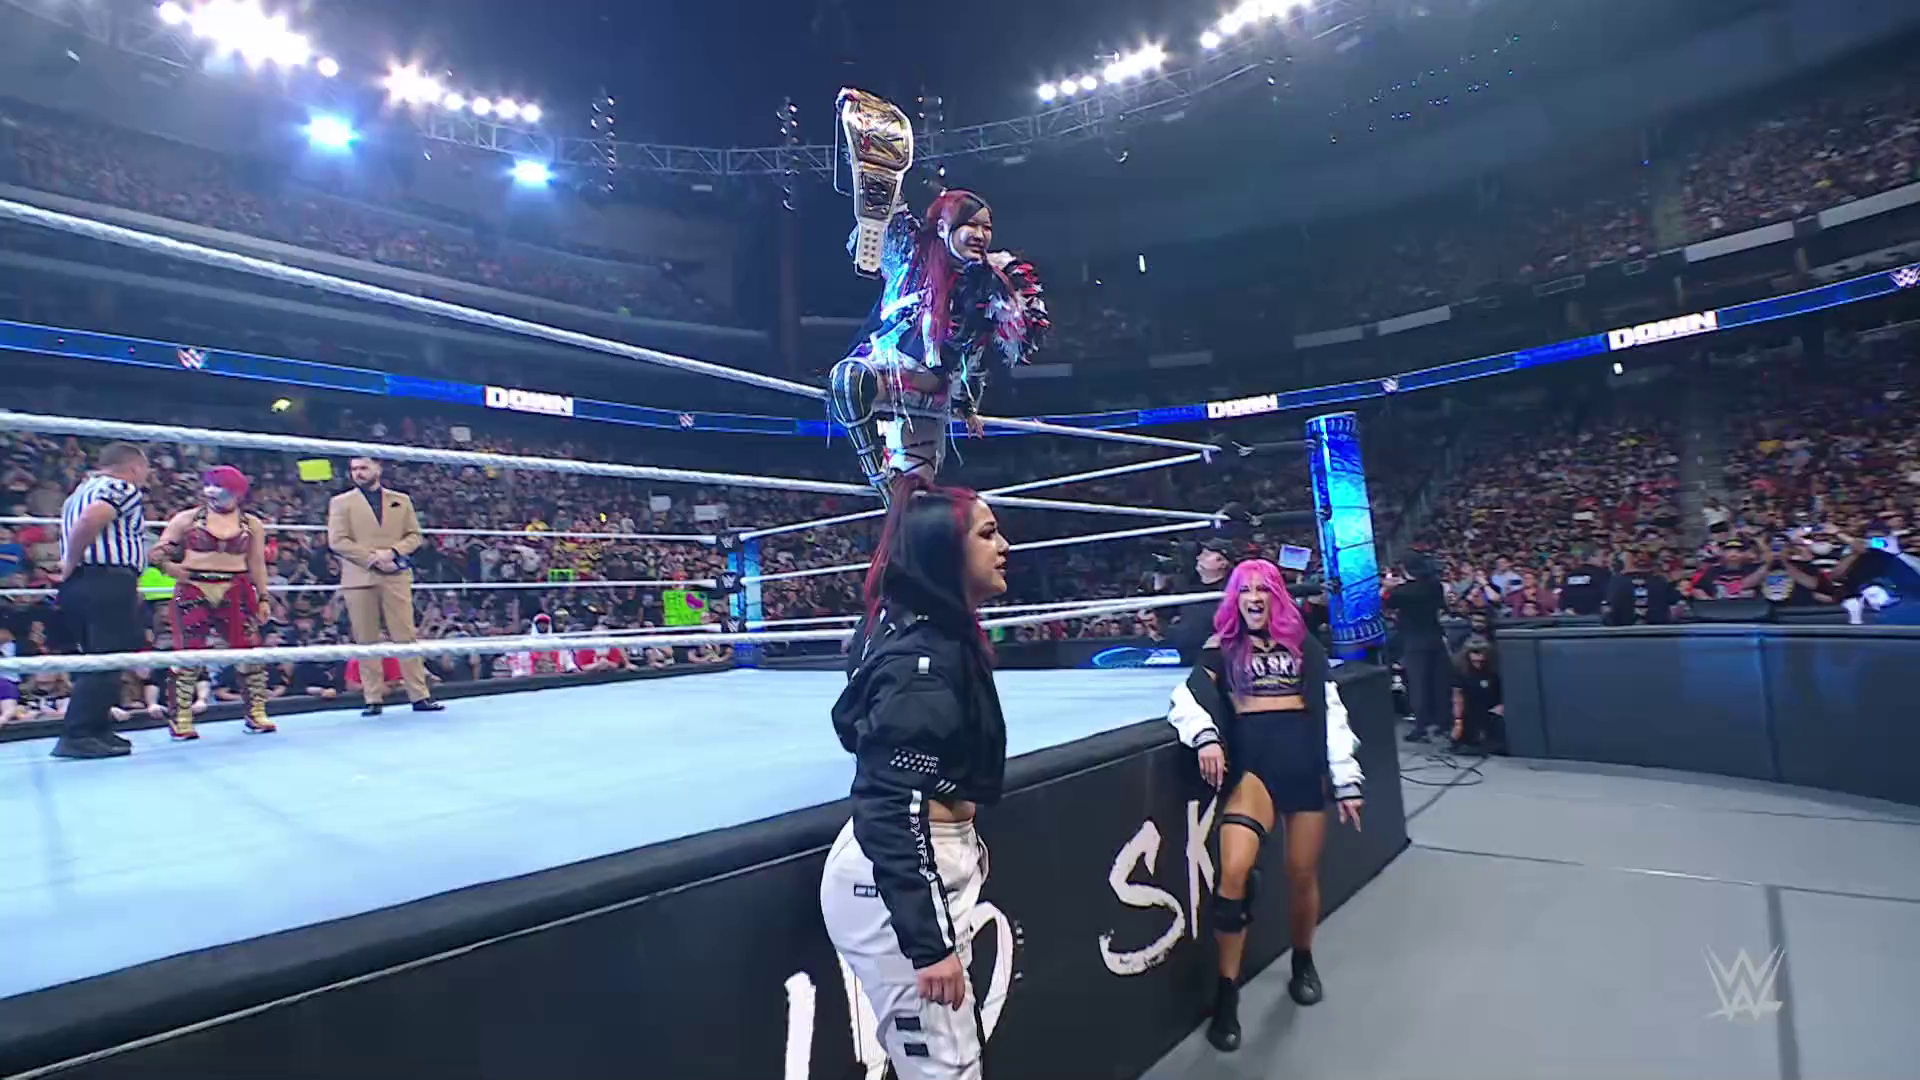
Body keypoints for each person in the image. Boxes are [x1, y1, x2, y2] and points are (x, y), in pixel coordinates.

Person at [819, 475, 1011, 1080]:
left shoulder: (913, 628)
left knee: (948, 1059)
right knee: (946, 1068)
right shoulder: (920, 661)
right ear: (946, 552)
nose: (1004, 546)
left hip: (917, 864)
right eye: (988, 534)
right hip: (899, 874)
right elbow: (887, 802)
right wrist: (927, 944)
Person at [1166, 558, 1364, 1053]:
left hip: (1302, 765)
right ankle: (1227, 993)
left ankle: (1303, 959)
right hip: (1253, 768)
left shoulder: (1304, 646)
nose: (1253, 597)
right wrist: (1206, 735)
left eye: (1262, 588)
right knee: (1232, 874)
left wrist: (1346, 778)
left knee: (1301, 874)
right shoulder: (1222, 647)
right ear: (1234, 598)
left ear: (1276, 595)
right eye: (1244, 589)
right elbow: (1186, 698)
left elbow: (1331, 711)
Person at [827, 189, 1049, 503]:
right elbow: (881, 208)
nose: (980, 235)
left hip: (930, 396)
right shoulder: (911, 253)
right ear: (943, 228)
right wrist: (879, 178)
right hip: (888, 375)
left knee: (912, 501)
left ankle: (897, 505)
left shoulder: (990, 279)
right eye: (971, 225)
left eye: (987, 227)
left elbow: (978, 350)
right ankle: (876, 472)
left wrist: (966, 403)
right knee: (849, 380)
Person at [153, 466, 275, 739]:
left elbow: (257, 563)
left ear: (237, 493)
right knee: (188, 653)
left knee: (249, 652)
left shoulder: (251, 524)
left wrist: (263, 597)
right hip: (194, 587)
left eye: (220, 487)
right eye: (209, 485)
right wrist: (170, 568)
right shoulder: (187, 519)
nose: (212, 492)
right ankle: (181, 718)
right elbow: (158, 553)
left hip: (236, 588)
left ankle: (256, 713)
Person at [51, 442, 151, 760]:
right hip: (104, 581)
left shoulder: (78, 492)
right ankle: (78, 734)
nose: (146, 476)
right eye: (145, 469)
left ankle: (96, 728)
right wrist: (70, 561)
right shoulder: (121, 487)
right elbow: (91, 519)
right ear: (134, 467)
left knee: (102, 657)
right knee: (107, 657)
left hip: (86, 584)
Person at [327, 457, 442, 716]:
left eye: (363, 468)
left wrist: (392, 552)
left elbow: (414, 536)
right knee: (366, 639)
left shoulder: (401, 500)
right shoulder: (340, 502)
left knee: (405, 635)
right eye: (354, 469)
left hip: (395, 574)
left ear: (378, 468)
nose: (358, 473)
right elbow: (337, 541)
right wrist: (373, 559)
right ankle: (373, 698)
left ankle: (419, 695)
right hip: (360, 576)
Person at [1384, 552, 1450, 743]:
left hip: (1415, 641)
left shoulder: (1403, 592)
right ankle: (1443, 723)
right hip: (1435, 638)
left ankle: (1422, 726)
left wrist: (1388, 586)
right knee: (1439, 683)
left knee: (1418, 685)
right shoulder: (1435, 585)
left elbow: (1387, 602)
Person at [1168, 539, 1234, 663]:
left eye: (1206, 555)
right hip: (1184, 660)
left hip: (1219, 661)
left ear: (1223, 563)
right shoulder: (1187, 589)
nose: (1199, 558)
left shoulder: (1231, 592)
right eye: (1201, 554)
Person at [1451, 637, 1504, 753]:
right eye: (1475, 661)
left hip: (1493, 710)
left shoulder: (1494, 671)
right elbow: (1458, 698)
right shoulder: (1461, 672)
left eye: (1481, 661)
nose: (1478, 664)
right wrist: (1458, 722)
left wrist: (1502, 705)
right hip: (1471, 710)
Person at [1603, 547, 1678, 626]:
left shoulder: (1660, 581)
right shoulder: (1617, 581)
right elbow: (1608, 608)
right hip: (1624, 627)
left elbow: (1674, 607)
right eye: (1635, 555)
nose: (1639, 557)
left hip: (1656, 627)